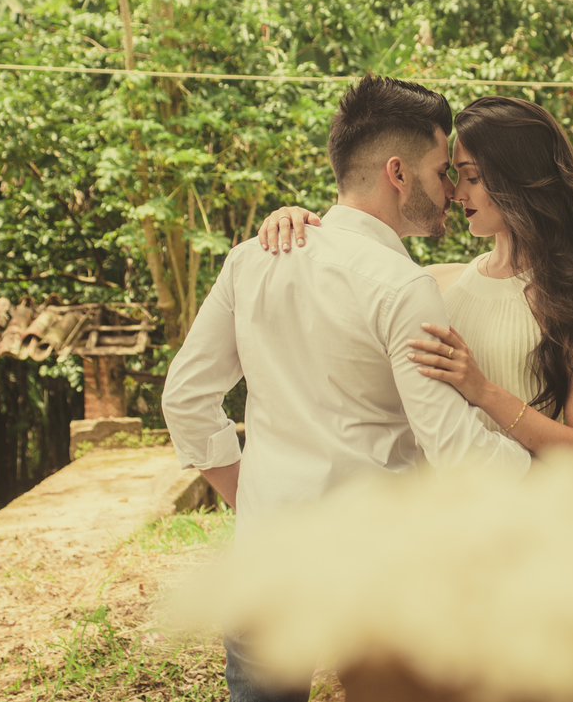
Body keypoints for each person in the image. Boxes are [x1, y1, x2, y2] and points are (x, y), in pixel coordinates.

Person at [161, 77, 532, 702]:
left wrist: (248, 497)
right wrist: (540, 470)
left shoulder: (253, 259)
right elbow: (452, 446)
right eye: (442, 170)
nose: (451, 189)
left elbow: (185, 399)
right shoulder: (402, 287)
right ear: (397, 173)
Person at [259, 96, 573, 470]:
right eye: (453, 174)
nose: (457, 193)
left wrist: (484, 391)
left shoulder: (572, 301)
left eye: (472, 177)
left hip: (525, 505)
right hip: (429, 506)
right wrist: (303, 226)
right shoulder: (432, 281)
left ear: (520, 180)